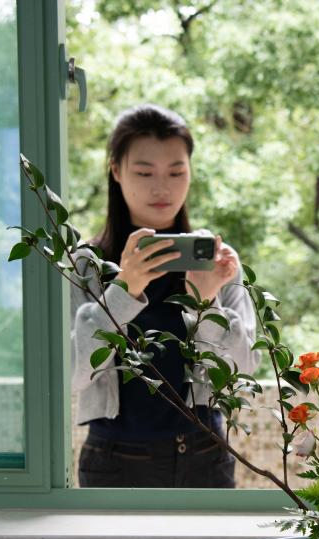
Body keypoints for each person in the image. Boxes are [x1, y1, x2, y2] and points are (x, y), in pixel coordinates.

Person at [70, 104, 260, 488]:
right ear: (116, 171)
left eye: (176, 172)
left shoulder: (216, 262)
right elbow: (71, 375)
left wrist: (206, 303)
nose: (162, 188)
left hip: (206, 455)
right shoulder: (86, 265)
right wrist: (123, 291)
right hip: (114, 461)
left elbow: (244, 370)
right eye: (144, 172)